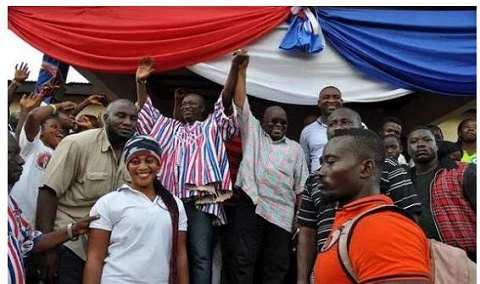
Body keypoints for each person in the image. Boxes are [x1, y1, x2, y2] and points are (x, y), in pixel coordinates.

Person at [135, 53, 242, 284]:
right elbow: (146, 115)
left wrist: (233, 68)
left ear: (204, 110)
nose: (186, 107)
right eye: (184, 104)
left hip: (199, 202)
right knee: (168, 251)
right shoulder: (170, 127)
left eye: (192, 104)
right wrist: (141, 83)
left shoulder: (211, 126)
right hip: (169, 200)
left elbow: (224, 100)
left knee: (200, 255)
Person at [296, 107, 422, 283]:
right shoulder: (316, 183)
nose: (338, 127)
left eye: (331, 163)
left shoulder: (390, 226)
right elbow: (307, 232)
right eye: (332, 124)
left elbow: (409, 218)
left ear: (367, 168)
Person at [35, 99, 138, 284]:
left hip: (107, 251)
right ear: (106, 118)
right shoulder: (76, 144)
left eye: (133, 118)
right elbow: (48, 193)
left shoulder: (136, 154)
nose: (127, 123)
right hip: (69, 245)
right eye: (121, 116)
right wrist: (47, 249)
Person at [229, 50, 309, 283]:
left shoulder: (295, 149)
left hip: (283, 213)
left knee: (276, 266)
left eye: (283, 122)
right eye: (273, 120)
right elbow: (241, 103)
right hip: (251, 204)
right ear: (263, 122)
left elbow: (301, 186)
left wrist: (298, 215)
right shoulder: (253, 134)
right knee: (243, 260)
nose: (278, 124)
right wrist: (241, 71)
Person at [83, 135, 189, 284]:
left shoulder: (175, 205)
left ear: (159, 166)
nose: (142, 167)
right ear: (127, 167)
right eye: (135, 161)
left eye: (149, 161)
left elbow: (180, 255)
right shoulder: (108, 203)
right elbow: (95, 257)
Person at [8, 132, 98, 284]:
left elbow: (28, 241)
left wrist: (73, 229)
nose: (21, 161)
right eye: (11, 154)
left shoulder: (10, 204)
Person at [408, 126, 476, 261]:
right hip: (427, 259)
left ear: (437, 145)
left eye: (427, 140)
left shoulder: (462, 172)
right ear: (408, 149)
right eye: (414, 141)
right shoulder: (405, 181)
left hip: (469, 257)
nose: (421, 144)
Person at [10, 96, 76, 227]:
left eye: (61, 128)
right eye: (54, 127)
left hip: (40, 222)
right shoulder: (32, 146)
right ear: (40, 133)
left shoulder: (61, 153)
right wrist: (59, 106)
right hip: (16, 214)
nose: (60, 130)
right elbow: (34, 117)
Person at [299, 86, 343, 172]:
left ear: (341, 102)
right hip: (319, 182)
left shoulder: (358, 126)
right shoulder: (308, 131)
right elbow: (304, 165)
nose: (331, 100)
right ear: (319, 103)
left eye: (335, 97)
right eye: (326, 97)